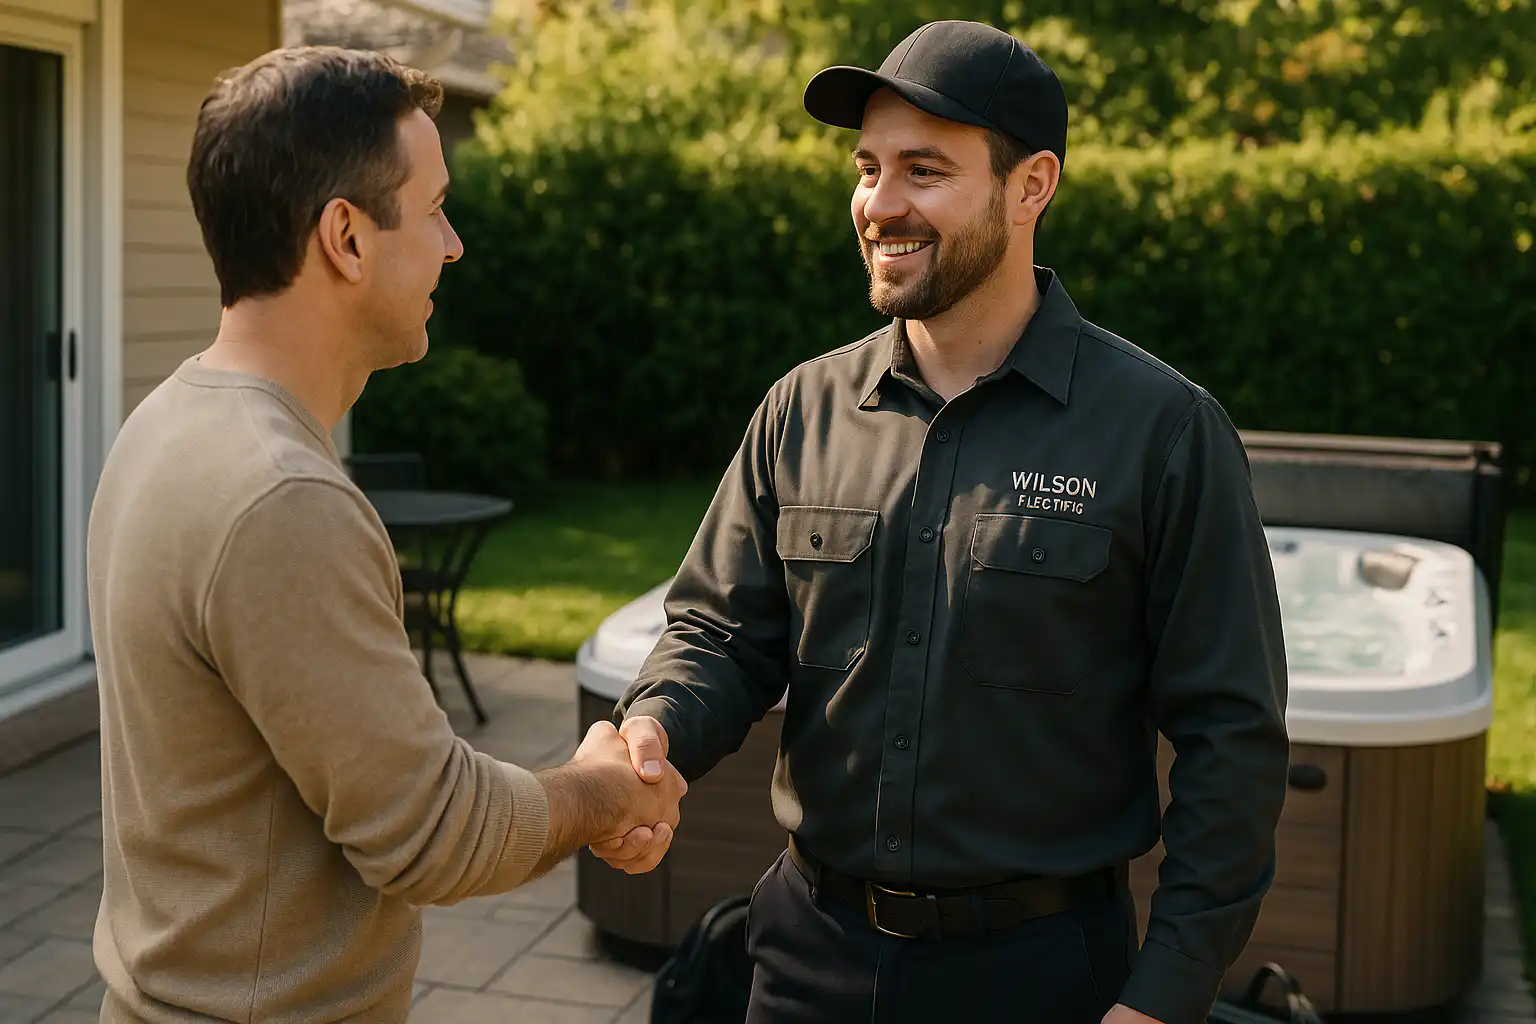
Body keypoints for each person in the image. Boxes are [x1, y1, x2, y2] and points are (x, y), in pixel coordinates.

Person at [596, 19, 1290, 1024]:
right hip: (805, 956)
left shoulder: (1164, 432)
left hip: (1045, 974)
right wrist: (651, 731)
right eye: (868, 168)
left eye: (924, 169)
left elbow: (1233, 742)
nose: (880, 204)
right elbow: (720, 633)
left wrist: (1164, 997)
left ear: (1031, 185)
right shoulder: (801, 409)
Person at [85, 47, 685, 1023]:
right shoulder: (281, 498)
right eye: (436, 206)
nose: (453, 245)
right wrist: (606, 789)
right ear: (347, 238)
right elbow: (433, 831)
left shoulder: (162, 426)